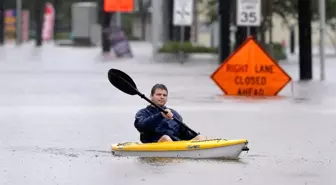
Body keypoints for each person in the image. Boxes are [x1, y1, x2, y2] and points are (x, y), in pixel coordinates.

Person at [134, 83, 207, 143]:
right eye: (158, 94)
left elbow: (186, 134)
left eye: (164, 95)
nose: (162, 97)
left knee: (201, 137)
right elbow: (141, 126)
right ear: (151, 96)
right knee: (166, 138)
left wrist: (196, 137)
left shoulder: (174, 113)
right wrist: (161, 115)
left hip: (176, 145)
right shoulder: (142, 113)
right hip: (156, 144)